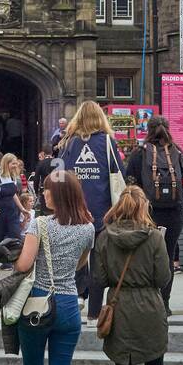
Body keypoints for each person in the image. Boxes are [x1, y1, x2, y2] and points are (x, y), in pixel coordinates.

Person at [12, 169, 95, 365]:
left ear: (58, 195)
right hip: (69, 303)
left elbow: (23, 265)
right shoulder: (87, 227)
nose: (44, 194)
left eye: (47, 190)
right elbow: (80, 264)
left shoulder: (40, 225)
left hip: (38, 303)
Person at [92, 185, 172, 365]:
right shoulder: (154, 237)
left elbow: (99, 278)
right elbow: (163, 278)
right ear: (143, 207)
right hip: (149, 306)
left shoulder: (104, 237)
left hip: (120, 306)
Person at [59, 101, 125, 326]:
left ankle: (77, 299)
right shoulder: (107, 142)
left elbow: (58, 177)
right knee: (98, 262)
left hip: (73, 211)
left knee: (76, 258)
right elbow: (120, 174)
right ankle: (94, 312)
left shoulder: (68, 144)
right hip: (102, 212)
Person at [124, 115, 183, 313]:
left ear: (148, 131)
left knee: (146, 256)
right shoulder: (178, 153)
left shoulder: (139, 153)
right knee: (167, 255)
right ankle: (165, 304)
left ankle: (148, 302)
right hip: (174, 212)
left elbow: (131, 185)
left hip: (148, 212)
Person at [0, 152, 27, 280]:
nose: (15, 165)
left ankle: (15, 267)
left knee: (16, 238)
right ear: (7, 163)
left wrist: (22, 209)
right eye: (13, 163)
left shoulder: (13, 177)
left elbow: (14, 195)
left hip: (12, 212)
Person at [31, 146, 55, 213]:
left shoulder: (41, 163)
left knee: (45, 209)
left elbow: (36, 178)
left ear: (43, 153)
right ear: (52, 153)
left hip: (45, 188)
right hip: (56, 189)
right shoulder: (58, 162)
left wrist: (36, 191)